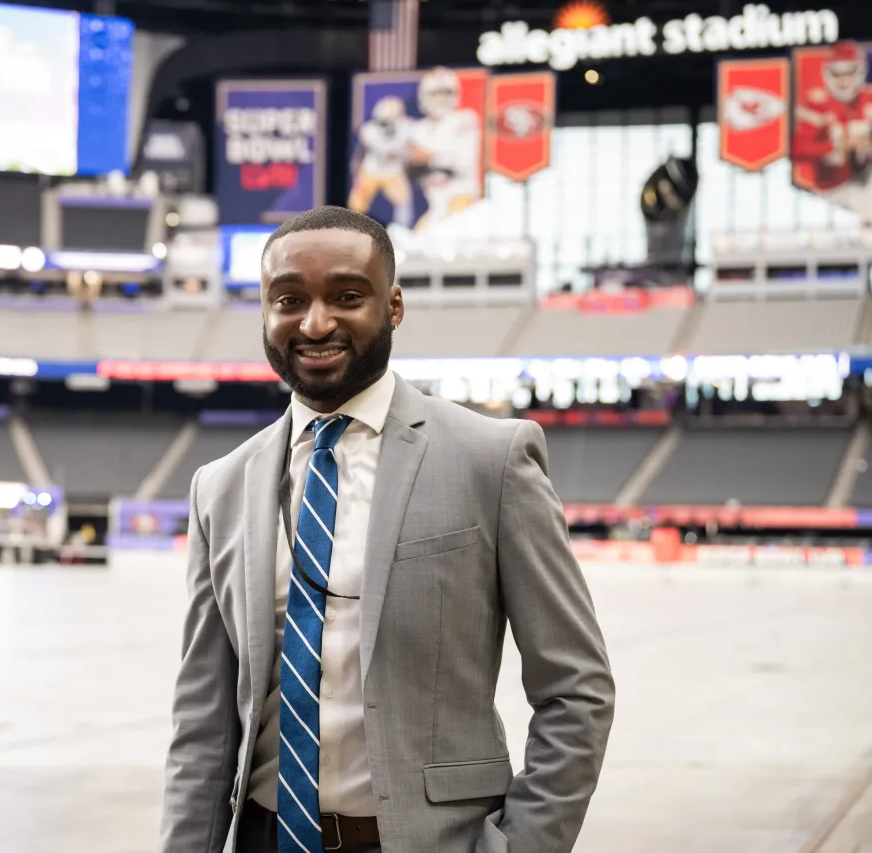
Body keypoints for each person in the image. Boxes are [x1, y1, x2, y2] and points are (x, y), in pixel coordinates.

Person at [159, 205, 615, 853]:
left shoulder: (492, 460)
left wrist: (523, 845)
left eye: (347, 296)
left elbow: (577, 689)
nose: (315, 323)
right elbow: (202, 724)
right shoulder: (221, 487)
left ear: (394, 306)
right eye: (288, 300)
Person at [793, 41, 872, 220]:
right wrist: (835, 147)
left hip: (864, 182)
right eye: (837, 73)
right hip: (827, 189)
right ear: (827, 72)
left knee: (870, 234)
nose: (843, 81)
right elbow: (799, 150)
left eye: (849, 72)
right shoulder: (816, 103)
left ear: (861, 70)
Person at [408, 67, 482, 231]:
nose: (441, 99)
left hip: (461, 199)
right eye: (435, 94)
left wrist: (429, 158)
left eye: (446, 93)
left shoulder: (465, 119)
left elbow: (463, 162)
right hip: (433, 203)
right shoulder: (419, 129)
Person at [348, 95, 415, 229]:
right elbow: (360, 154)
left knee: (404, 202)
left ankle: (402, 232)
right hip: (370, 171)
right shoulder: (369, 131)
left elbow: (412, 151)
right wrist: (356, 175)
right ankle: (354, 231)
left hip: (393, 172)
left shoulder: (407, 128)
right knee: (356, 204)